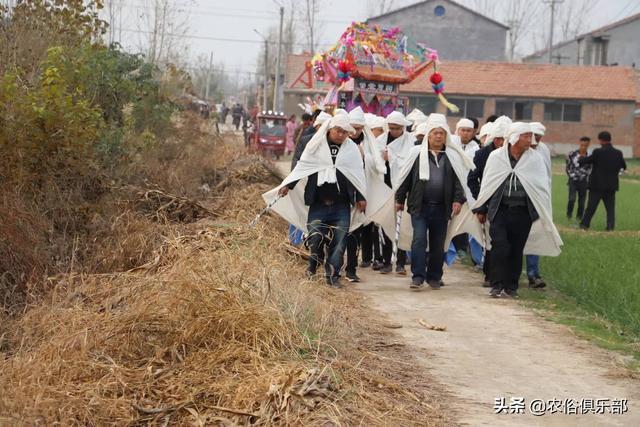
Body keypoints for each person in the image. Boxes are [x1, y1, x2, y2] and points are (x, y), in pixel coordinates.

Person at [273, 115, 367, 288]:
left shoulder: (351, 149)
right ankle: (312, 266)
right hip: (318, 203)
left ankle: (333, 276)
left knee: (339, 242)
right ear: (330, 129)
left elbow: (357, 174)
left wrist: (361, 197)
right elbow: (304, 167)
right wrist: (288, 185)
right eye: (338, 131)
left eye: (345, 132)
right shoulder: (315, 145)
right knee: (315, 238)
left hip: (341, 205)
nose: (341, 135)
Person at [472, 122, 562, 298]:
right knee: (499, 246)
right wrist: (482, 208)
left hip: (523, 212)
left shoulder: (534, 159)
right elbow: (488, 184)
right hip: (500, 210)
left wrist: (539, 210)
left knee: (516, 249)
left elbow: (540, 186)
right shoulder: (496, 157)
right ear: (514, 138)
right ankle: (496, 284)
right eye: (526, 136)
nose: (531, 139)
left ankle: (511, 287)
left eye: (531, 136)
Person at [395, 114, 468, 289]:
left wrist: (458, 199)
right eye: (435, 133)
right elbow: (405, 177)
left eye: (442, 133)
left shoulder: (451, 155)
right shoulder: (416, 153)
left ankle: (434, 276)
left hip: (442, 208)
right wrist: (400, 198)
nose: (438, 136)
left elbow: (459, 180)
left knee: (438, 243)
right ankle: (418, 276)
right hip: (420, 206)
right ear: (428, 134)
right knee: (419, 240)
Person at [467, 116, 510, 287]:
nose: (502, 143)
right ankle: (489, 274)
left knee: (505, 241)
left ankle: (503, 275)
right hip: (488, 203)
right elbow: (472, 179)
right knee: (492, 241)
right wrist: (481, 203)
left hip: (507, 203)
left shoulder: (514, 155)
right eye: (500, 139)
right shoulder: (482, 154)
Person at [377, 111, 414, 275]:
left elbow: (409, 162)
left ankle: (400, 262)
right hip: (385, 188)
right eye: (391, 128)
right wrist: (382, 158)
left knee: (403, 226)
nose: (394, 131)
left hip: (403, 189)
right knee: (386, 226)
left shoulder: (411, 142)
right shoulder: (380, 140)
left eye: (398, 128)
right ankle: (386, 262)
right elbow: (374, 160)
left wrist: (390, 157)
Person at [579, 131, 627, 231]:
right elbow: (623, 166)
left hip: (597, 185)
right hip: (611, 186)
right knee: (610, 209)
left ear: (600, 140)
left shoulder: (597, 152)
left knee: (591, 207)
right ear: (609, 139)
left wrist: (581, 158)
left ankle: (584, 225)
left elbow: (586, 161)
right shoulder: (618, 153)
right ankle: (610, 227)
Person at [525, 122, 552, 289]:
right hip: (519, 201)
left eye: (539, 138)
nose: (536, 141)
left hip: (538, 201)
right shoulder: (518, 150)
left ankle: (533, 274)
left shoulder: (543, 150)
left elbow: (547, 177)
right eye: (534, 136)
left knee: (534, 237)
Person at [565, 136, 592, 221]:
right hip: (573, 180)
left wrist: (585, 176)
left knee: (582, 202)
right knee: (572, 199)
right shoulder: (572, 154)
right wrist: (571, 175)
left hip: (583, 181)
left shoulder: (590, 156)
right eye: (582, 145)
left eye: (585, 145)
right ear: (579, 143)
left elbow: (591, 169)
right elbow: (568, 167)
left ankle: (579, 218)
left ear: (588, 145)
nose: (583, 147)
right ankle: (569, 215)